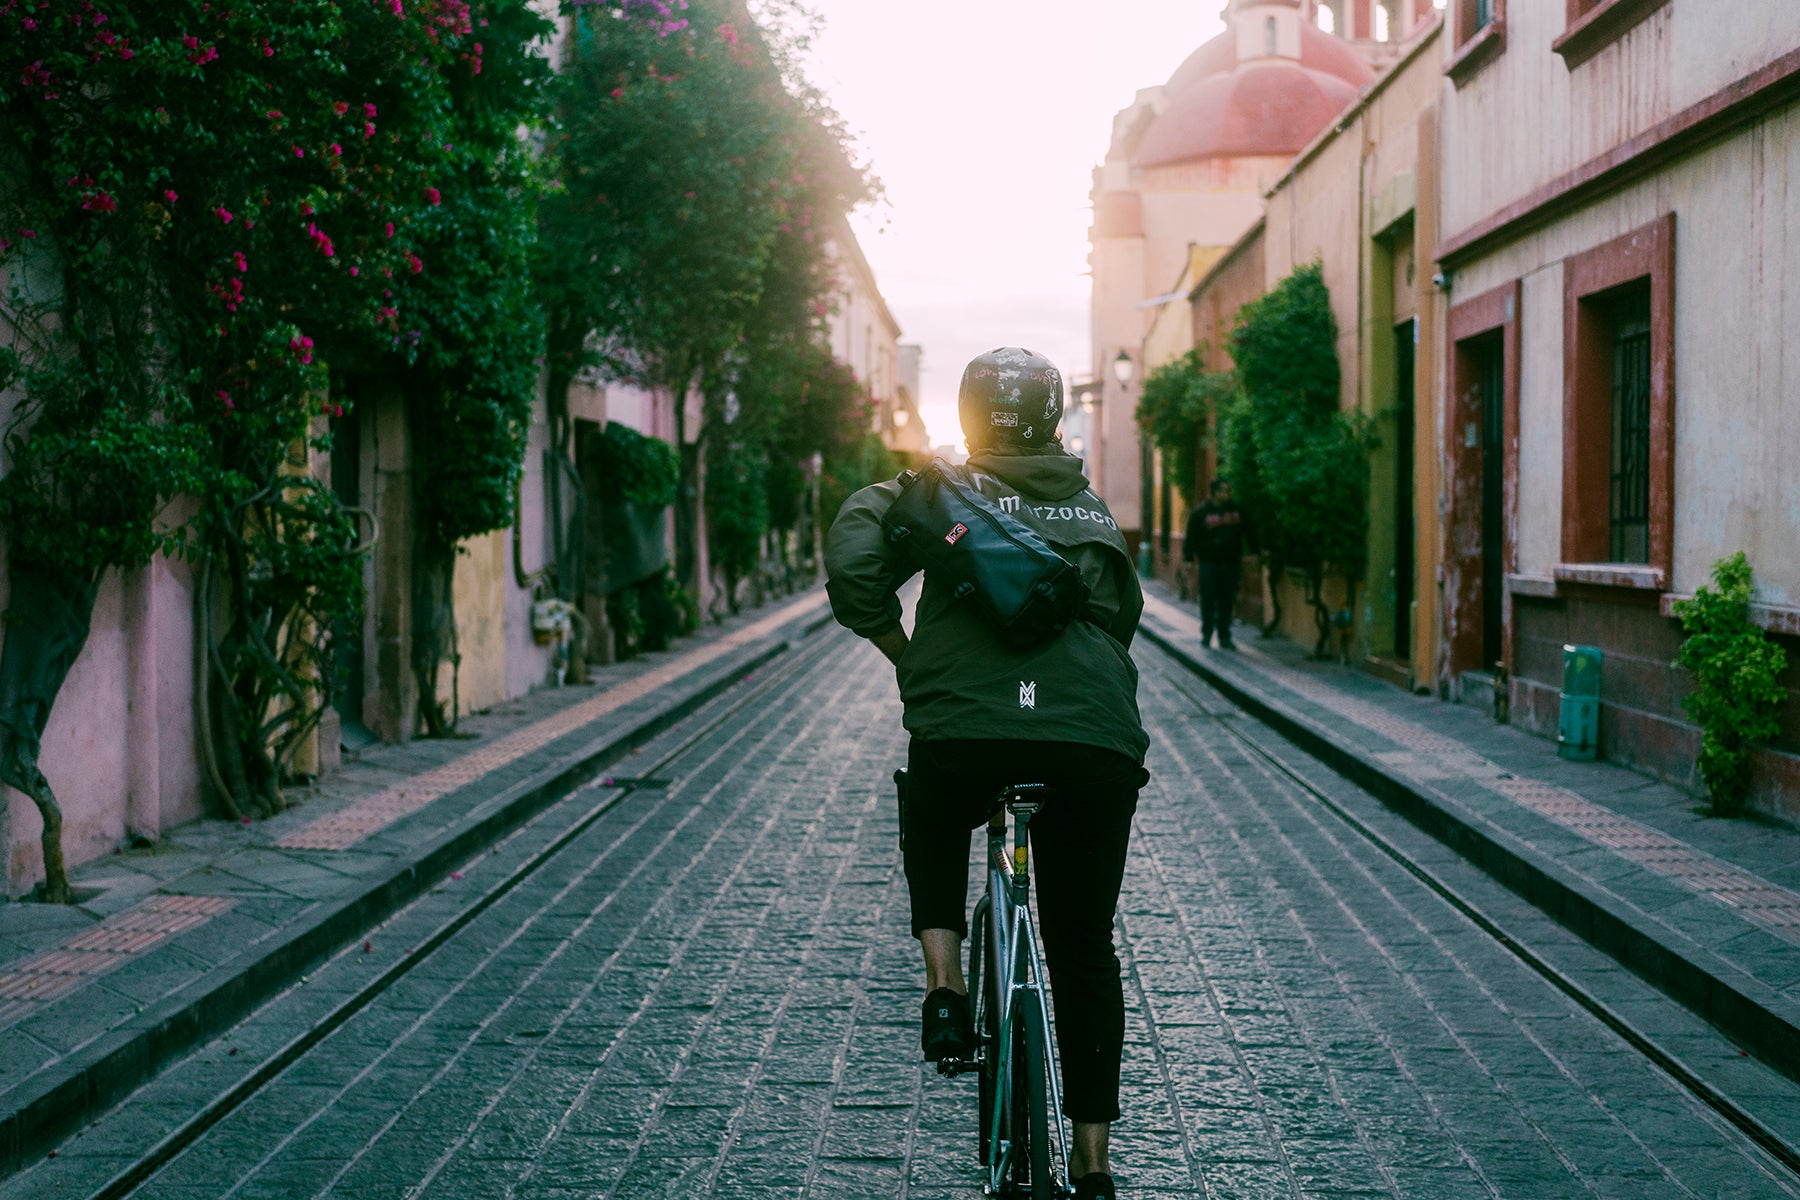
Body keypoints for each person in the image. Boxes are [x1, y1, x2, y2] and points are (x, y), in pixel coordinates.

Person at [825, 346, 1149, 1200]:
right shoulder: (1092, 513)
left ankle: (946, 985)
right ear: (1053, 421)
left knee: (931, 806)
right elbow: (1120, 622)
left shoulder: (938, 499)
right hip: (1092, 744)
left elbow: (854, 555)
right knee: (1083, 947)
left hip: (963, 730)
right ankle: (1093, 1165)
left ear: (967, 420)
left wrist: (904, 651)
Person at [1183, 478, 1245, 649]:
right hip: (1208, 564)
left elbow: (1249, 531)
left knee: (1227, 600)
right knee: (1208, 599)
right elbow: (1191, 538)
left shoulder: (1236, 512)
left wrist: (1253, 553)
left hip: (1231, 563)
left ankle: (1225, 635)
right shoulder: (1201, 513)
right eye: (1224, 490)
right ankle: (1207, 633)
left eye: (1229, 490)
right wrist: (1188, 559)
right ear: (1215, 492)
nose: (1228, 494)